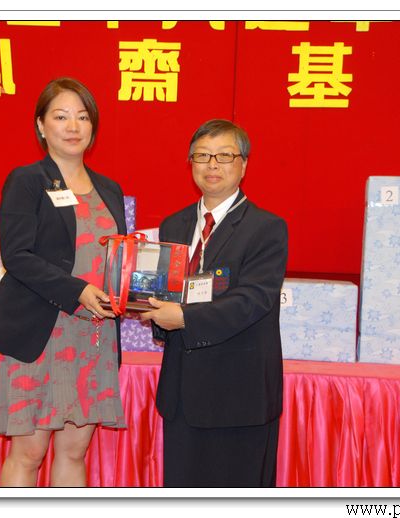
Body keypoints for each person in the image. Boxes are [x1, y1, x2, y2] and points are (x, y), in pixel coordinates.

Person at [0, 77, 126, 487]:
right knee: (29, 453)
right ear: (41, 125)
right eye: (61, 117)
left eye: (82, 117)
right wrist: (78, 290)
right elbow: (17, 255)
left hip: (93, 335)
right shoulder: (27, 180)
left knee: (74, 452)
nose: (73, 126)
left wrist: (133, 291)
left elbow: (118, 257)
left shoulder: (110, 189)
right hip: (41, 332)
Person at [141, 119, 288, 487]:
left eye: (224, 156)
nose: (212, 165)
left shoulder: (266, 228)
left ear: (244, 164)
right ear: (190, 163)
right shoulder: (173, 225)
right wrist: (151, 309)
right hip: (182, 395)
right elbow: (168, 293)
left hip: (240, 395)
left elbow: (253, 300)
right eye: (202, 156)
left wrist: (184, 318)